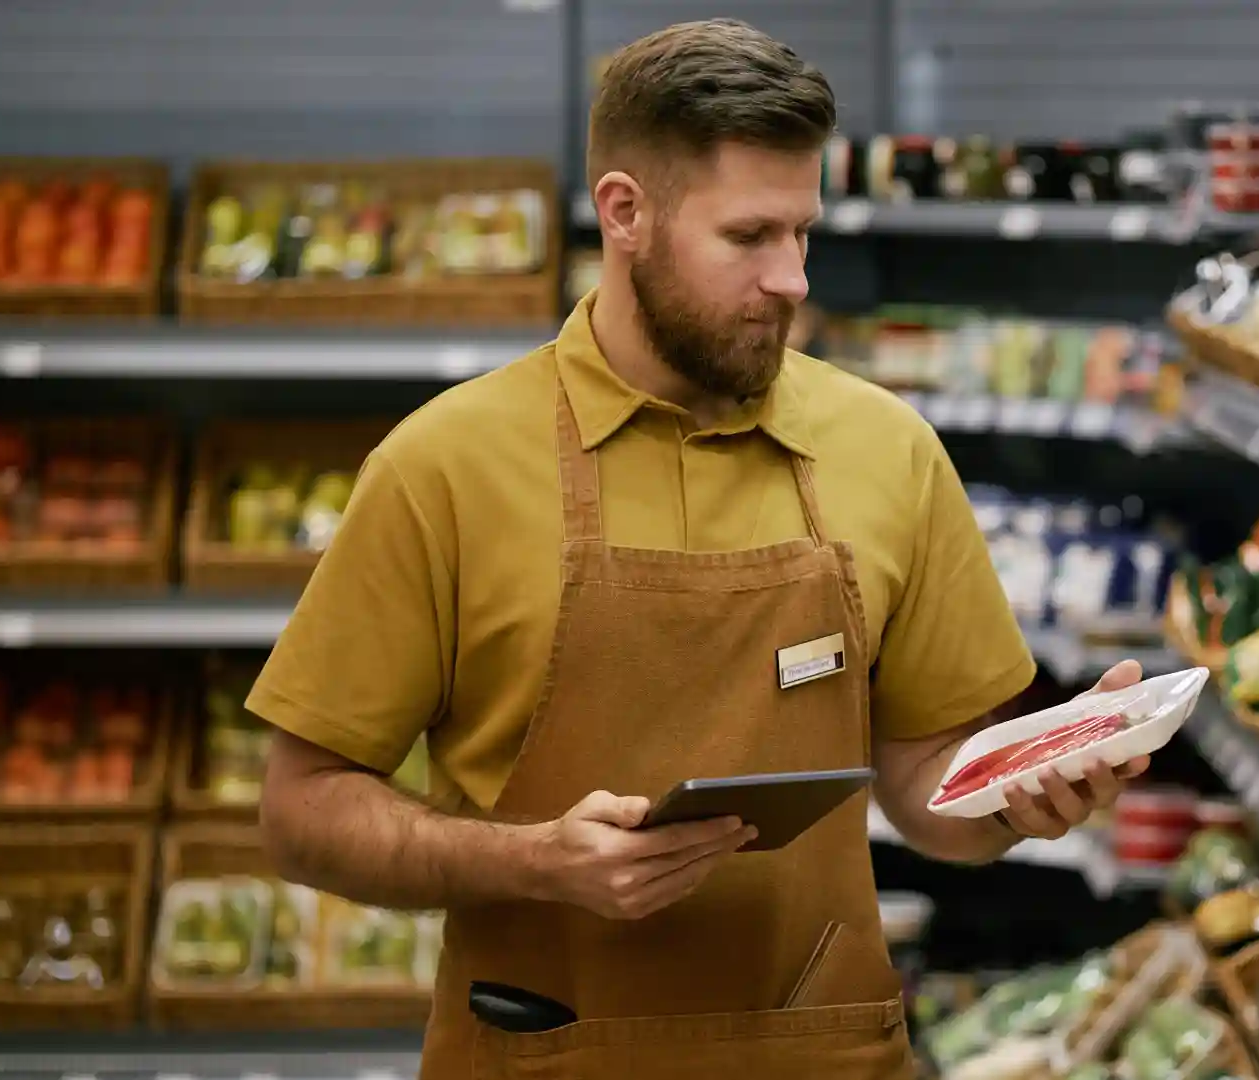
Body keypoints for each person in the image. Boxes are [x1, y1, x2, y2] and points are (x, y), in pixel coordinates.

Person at [249, 17, 1150, 1080]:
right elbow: (303, 808)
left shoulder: (887, 449)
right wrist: (527, 860)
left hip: (824, 1056)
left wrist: (1016, 795)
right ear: (625, 212)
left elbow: (922, 783)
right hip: (546, 1056)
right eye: (749, 237)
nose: (793, 279)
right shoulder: (444, 467)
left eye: (803, 232)